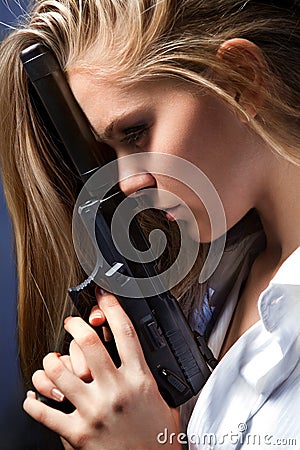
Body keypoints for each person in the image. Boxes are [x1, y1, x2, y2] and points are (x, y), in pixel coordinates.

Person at [0, 0, 299, 449]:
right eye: (111, 151)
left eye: (136, 132)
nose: (127, 181)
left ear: (242, 82)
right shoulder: (212, 288)